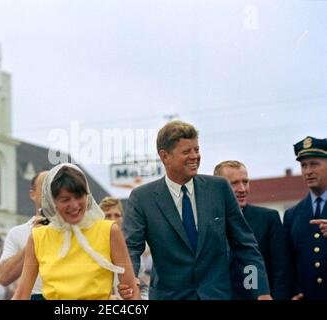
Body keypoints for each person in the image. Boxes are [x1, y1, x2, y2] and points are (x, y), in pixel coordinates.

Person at [121, 120, 270, 300]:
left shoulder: (219, 189)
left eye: (197, 150)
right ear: (164, 156)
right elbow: (131, 249)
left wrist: (259, 291)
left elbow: (245, 247)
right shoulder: (142, 198)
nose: (194, 156)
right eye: (186, 151)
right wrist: (130, 282)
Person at [11, 164, 140, 300]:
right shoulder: (38, 237)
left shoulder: (109, 231)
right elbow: (21, 294)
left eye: (79, 197)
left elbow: (132, 292)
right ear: (52, 201)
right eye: (65, 199)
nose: (74, 205)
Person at [214, 160, 291, 300]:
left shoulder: (268, 219)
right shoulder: (207, 223)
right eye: (234, 183)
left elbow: (281, 273)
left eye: (245, 181)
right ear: (219, 187)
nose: (242, 189)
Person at [284, 136, 327, 300]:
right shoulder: (292, 215)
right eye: (303, 166)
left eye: (314, 164)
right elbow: (288, 265)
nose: (308, 171)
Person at [0, 171, 49, 300]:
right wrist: (34, 240)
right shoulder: (18, 233)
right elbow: (4, 277)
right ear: (33, 194)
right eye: (45, 187)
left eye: (54, 187)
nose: (50, 192)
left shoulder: (73, 228)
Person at [100, 197, 151, 300]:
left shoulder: (133, 247)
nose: (113, 219)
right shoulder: (92, 249)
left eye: (117, 215)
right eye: (108, 215)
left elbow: (141, 285)